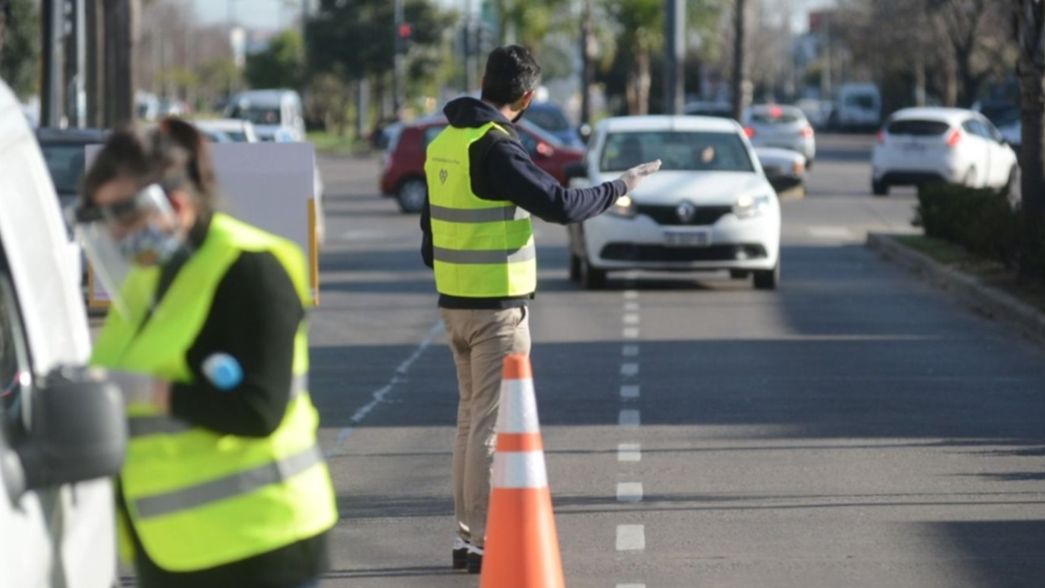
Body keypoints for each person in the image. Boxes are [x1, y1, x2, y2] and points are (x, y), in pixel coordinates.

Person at [419, 45, 660, 574]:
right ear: (527, 98)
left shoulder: (445, 143)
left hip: (455, 305)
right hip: (497, 311)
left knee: (469, 421)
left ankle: (466, 536)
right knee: (488, 426)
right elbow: (560, 205)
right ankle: (482, 541)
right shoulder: (496, 147)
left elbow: (428, 241)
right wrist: (622, 186)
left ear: (485, 82)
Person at [71, 118, 338, 588]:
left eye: (125, 216)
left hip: (261, 544)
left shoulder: (250, 268)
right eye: (106, 220)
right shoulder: (148, 279)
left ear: (175, 203)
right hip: (173, 550)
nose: (116, 235)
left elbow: (259, 410)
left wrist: (150, 391)